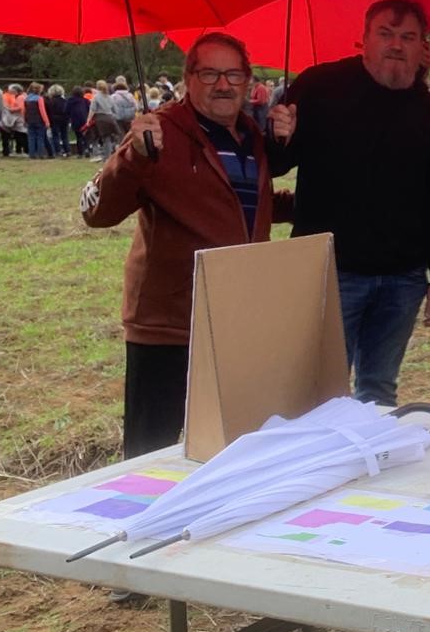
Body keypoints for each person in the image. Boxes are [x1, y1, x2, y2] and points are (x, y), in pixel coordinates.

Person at [81, 33, 277, 458]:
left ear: (247, 81)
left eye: (234, 74)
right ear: (189, 78)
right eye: (210, 73)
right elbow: (96, 212)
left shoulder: (250, 135)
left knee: (228, 448)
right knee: (150, 452)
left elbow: (240, 204)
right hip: (170, 325)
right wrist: (132, 158)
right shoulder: (161, 133)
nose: (223, 84)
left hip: (233, 319)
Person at [268, 0, 430, 406]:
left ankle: (375, 463)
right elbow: (277, 164)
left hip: (403, 278)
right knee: (322, 390)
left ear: (422, 46)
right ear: (364, 40)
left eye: (407, 37)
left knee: (380, 388)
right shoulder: (318, 86)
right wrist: (279, 135)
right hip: (332, 270)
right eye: (385, 34)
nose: (396, 45)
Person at [22, 82, 52, 159]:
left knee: (31, 138)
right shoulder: (39, 98)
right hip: (39, 121)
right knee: (40, 137)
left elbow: (24, 111)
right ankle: (40, 154)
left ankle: (32, 154)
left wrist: (25, 120)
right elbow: (42, 111)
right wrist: (47, 121)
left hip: (30, 120)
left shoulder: (26, 98)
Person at [65, 86, 92, 158]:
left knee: (78, 137)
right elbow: (90, 109)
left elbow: (66, 110)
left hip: (75, 120)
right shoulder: (85, 101)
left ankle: (80, 153)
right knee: (85, 136)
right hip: (84, 120)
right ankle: (87, 149)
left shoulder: (70, 101)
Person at [45, 85, 69, 157]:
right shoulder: (65, 101)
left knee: (55, 136)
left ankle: (58, 151)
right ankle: (67, 150)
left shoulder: (49, 102)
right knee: (64, 135)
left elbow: (48, 112)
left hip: (54, 120)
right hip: (64, 120)